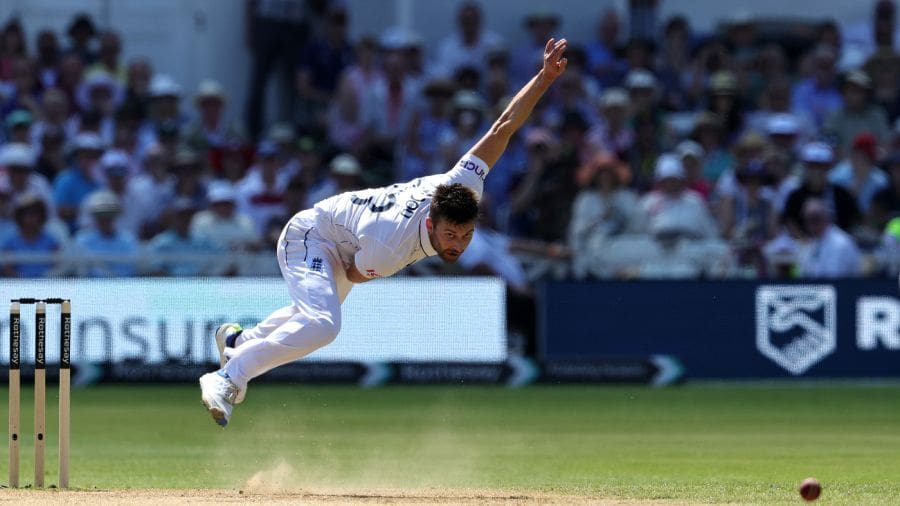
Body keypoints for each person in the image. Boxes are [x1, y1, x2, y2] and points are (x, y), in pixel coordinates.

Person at [199, 37, 570, 427]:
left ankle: (236, 341)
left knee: (310, 315)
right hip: (310, 237)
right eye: (449, 235)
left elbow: (503, 126)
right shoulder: (392, 247)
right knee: (323, 324)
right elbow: (355, 272)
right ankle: (227, 377)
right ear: (431, 222)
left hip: (344, 238)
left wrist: (544, 78)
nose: (456, 245)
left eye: (464, 235)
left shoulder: (464, 182)